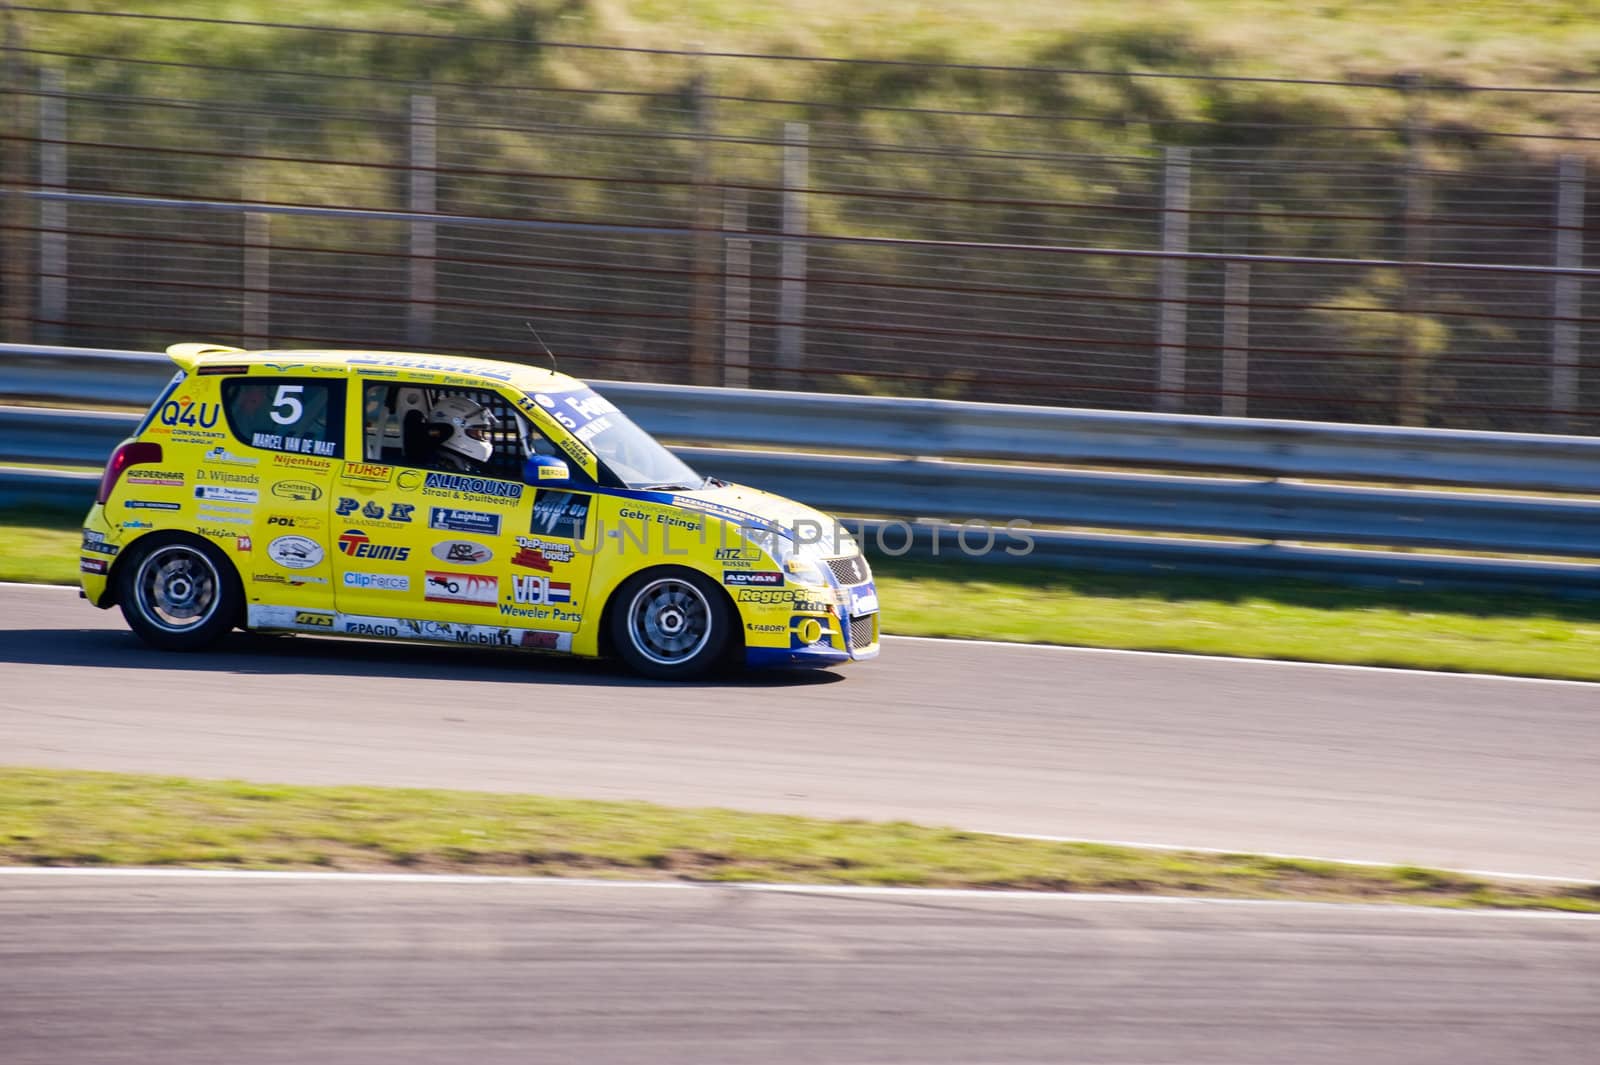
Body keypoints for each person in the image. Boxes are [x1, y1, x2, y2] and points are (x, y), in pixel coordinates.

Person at [426, 394, 497, 473]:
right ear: (455, 430)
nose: (480, 437)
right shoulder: (438, 468)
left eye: (480, 433)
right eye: (476, 432)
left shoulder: (460, 463)